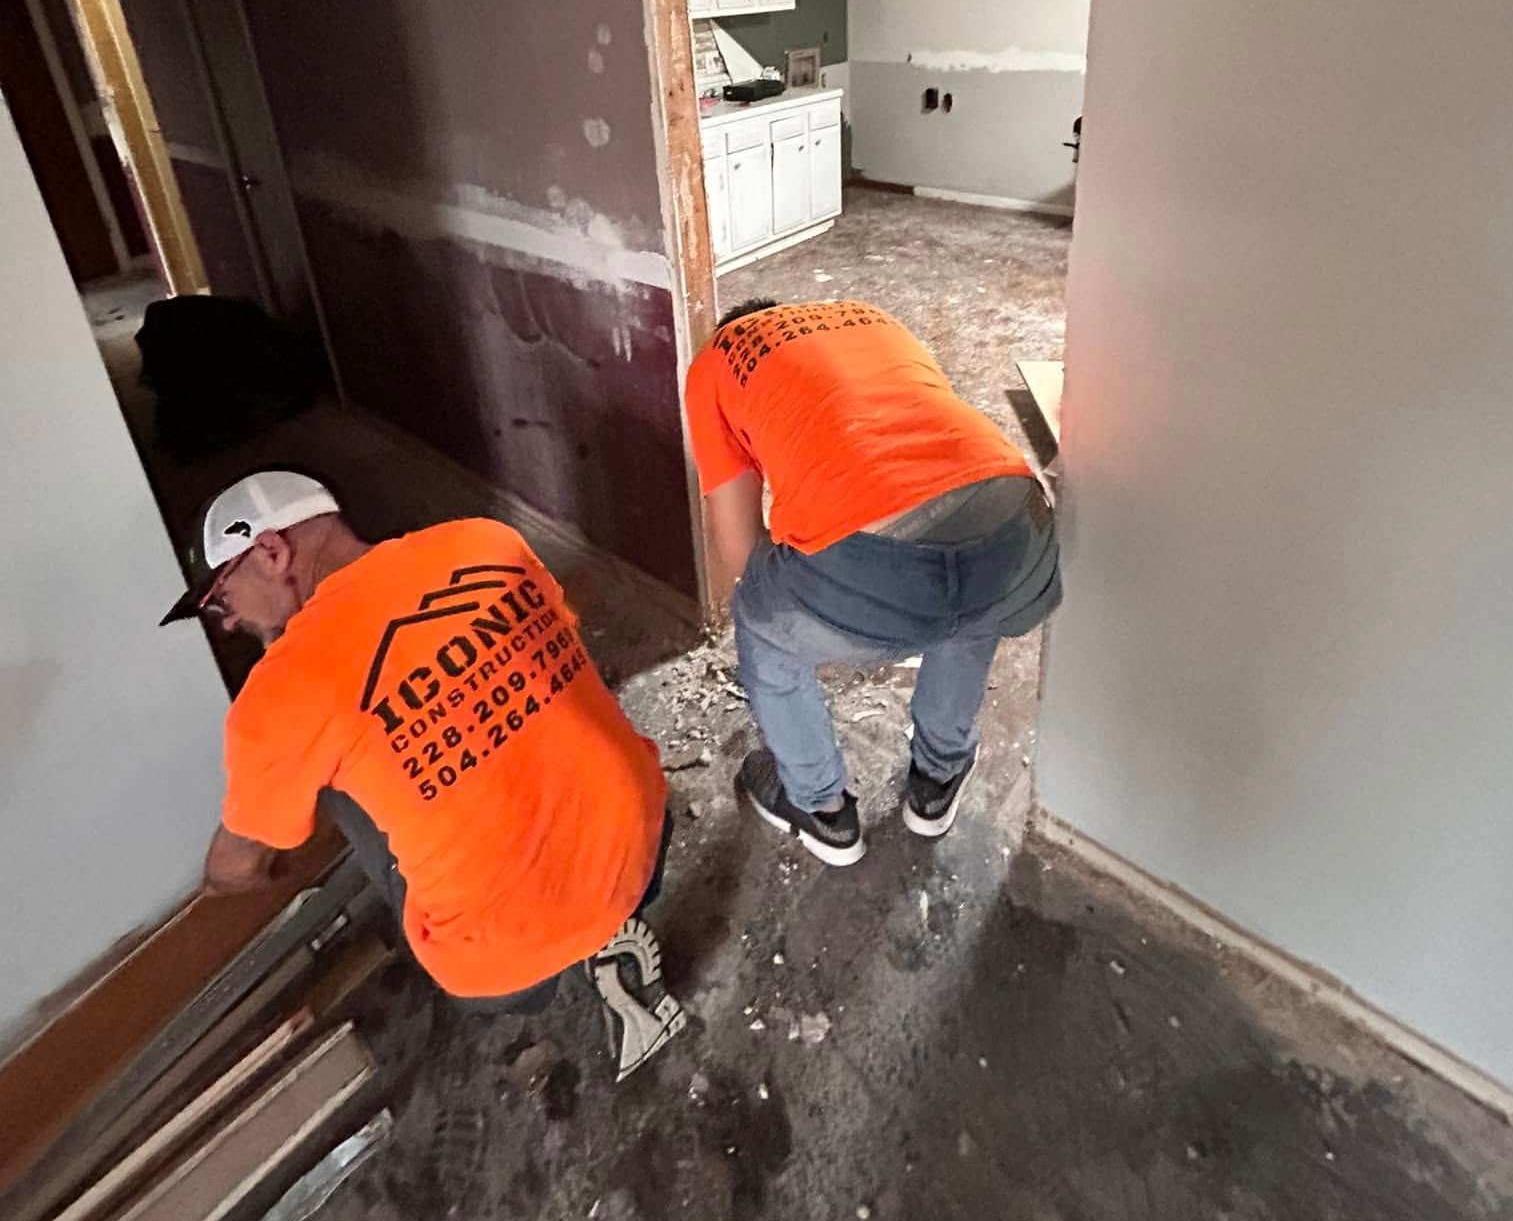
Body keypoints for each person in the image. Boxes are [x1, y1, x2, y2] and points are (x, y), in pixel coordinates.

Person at [161, 470, 684, 1080]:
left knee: (327, 773)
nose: (226, 621)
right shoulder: (484, 541)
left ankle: (555, 937)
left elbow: (238, 866)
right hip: (645, 838)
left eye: (221, 600)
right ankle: (598, 917)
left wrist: (221, 889)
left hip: (505, 963)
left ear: (271, 551)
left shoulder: (279, 697)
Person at [685, 300, 1061, 866]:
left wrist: (824, 595)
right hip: (1018, 522)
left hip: (876, 554)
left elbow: (739, 548)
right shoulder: (868, 315)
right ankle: (938, 776)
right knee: (969, 605)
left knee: (763, 621)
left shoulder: (717, 360)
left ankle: (821, 808)